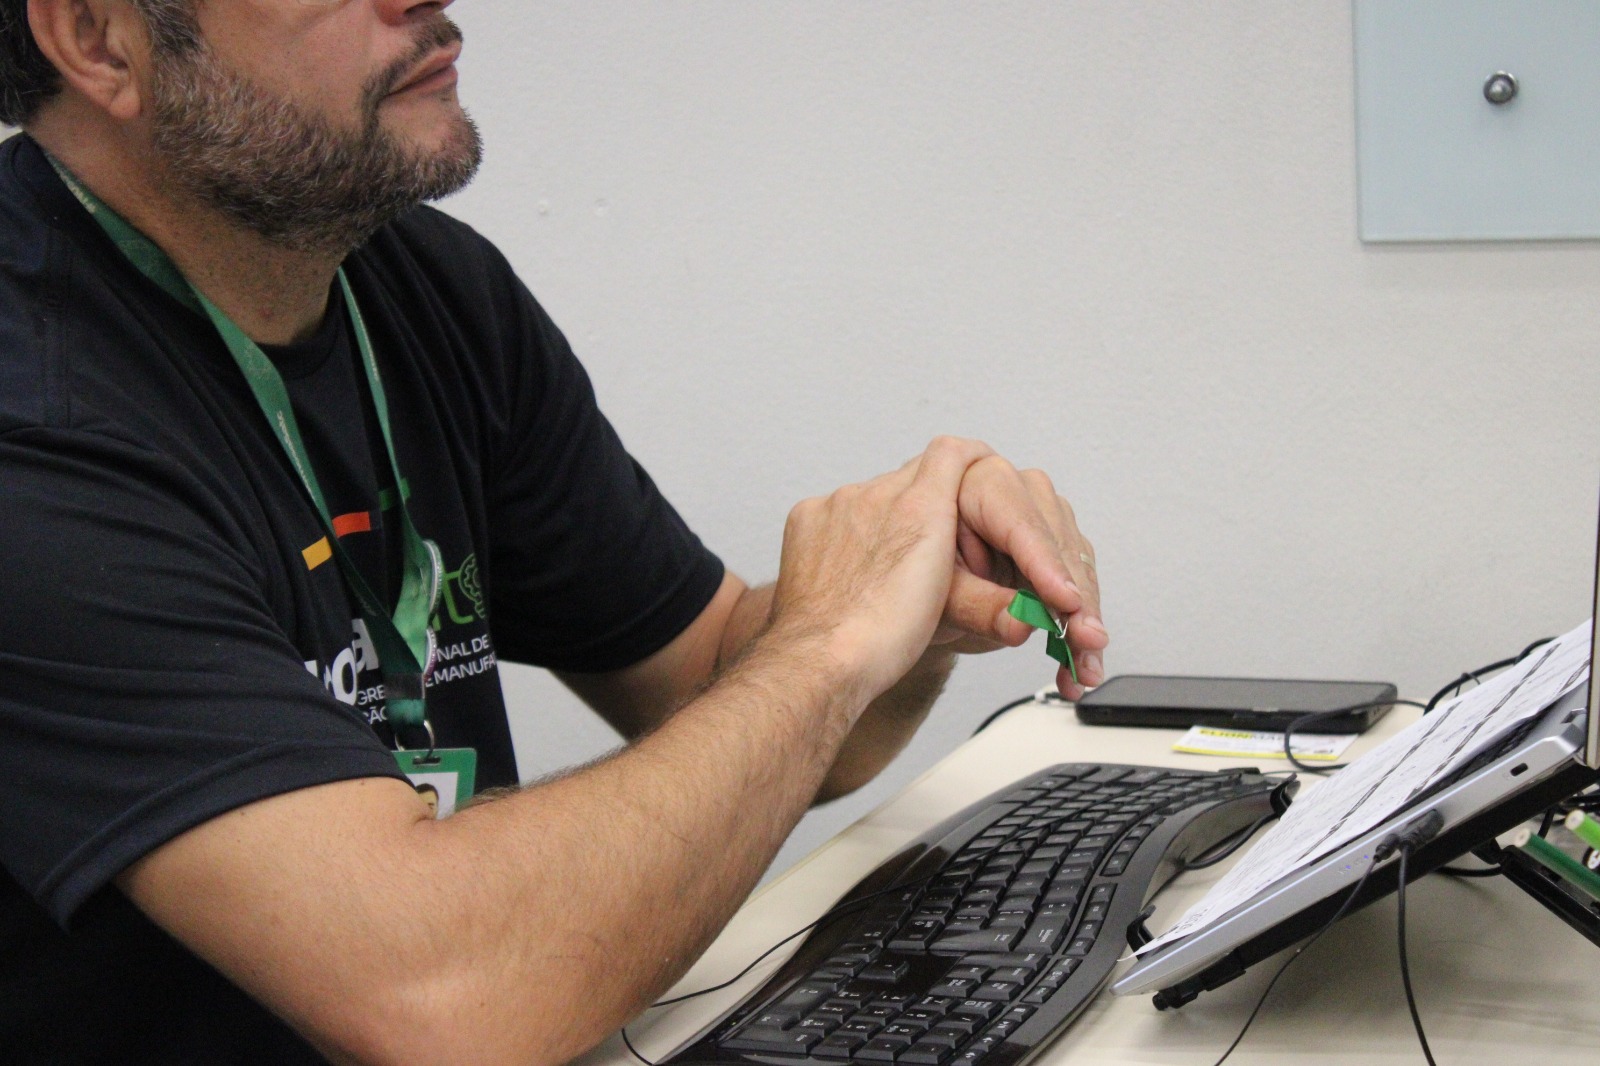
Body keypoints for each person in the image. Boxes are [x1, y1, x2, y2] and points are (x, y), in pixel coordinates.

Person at [0, 1, 1109, 1063]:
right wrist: (827, 647)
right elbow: (444, 1002)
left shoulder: (425, 287)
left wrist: (912, 584)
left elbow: (726, 691)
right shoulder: (31, 421)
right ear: (98, 37)